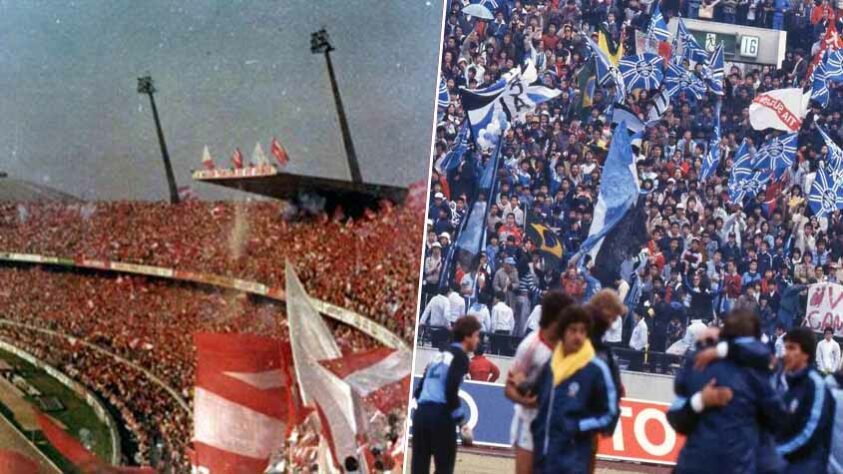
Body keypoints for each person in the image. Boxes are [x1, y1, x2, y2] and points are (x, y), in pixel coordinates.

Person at [667, 311, 786, 473]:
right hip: (737, 464)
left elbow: (676, 418)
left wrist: (700, 401)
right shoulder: (759, 372)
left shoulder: (696, 364)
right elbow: (778, 417)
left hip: (693, 463)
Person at [531, 305, 618, 474]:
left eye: (582, 331)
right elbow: (541, 404)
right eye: (573, 330)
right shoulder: (550, 365)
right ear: (563, 332)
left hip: (574, 461)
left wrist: (579, 426)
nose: (578, 336)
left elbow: (610, 414)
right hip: (545, 460)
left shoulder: (596, 369)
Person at [506, 291, 573, 474]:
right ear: (556, 317)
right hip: (529, 422)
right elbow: (509, 388)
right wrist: (525, 401)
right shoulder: (530, 345)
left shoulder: (569, 346)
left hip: (556, 426)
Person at [412, 316, 482, 474]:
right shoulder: (460, 356)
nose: (478, 340)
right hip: (441, 416)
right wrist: (462, 422)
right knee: (444, 468)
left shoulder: (438, 356)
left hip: (421, 414)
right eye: (477, 335)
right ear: (467, 337)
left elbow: (419, 389)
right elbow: (450, 389)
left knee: (419, 467)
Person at [775, 327, 835, 472]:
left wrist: (776, 451)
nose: (786, 353)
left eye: (792, 348)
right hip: (780, 463)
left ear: (806, 354)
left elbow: (809, 432)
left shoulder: (816, 385)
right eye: (785, 347)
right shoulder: (781, 380)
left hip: (805, 465)